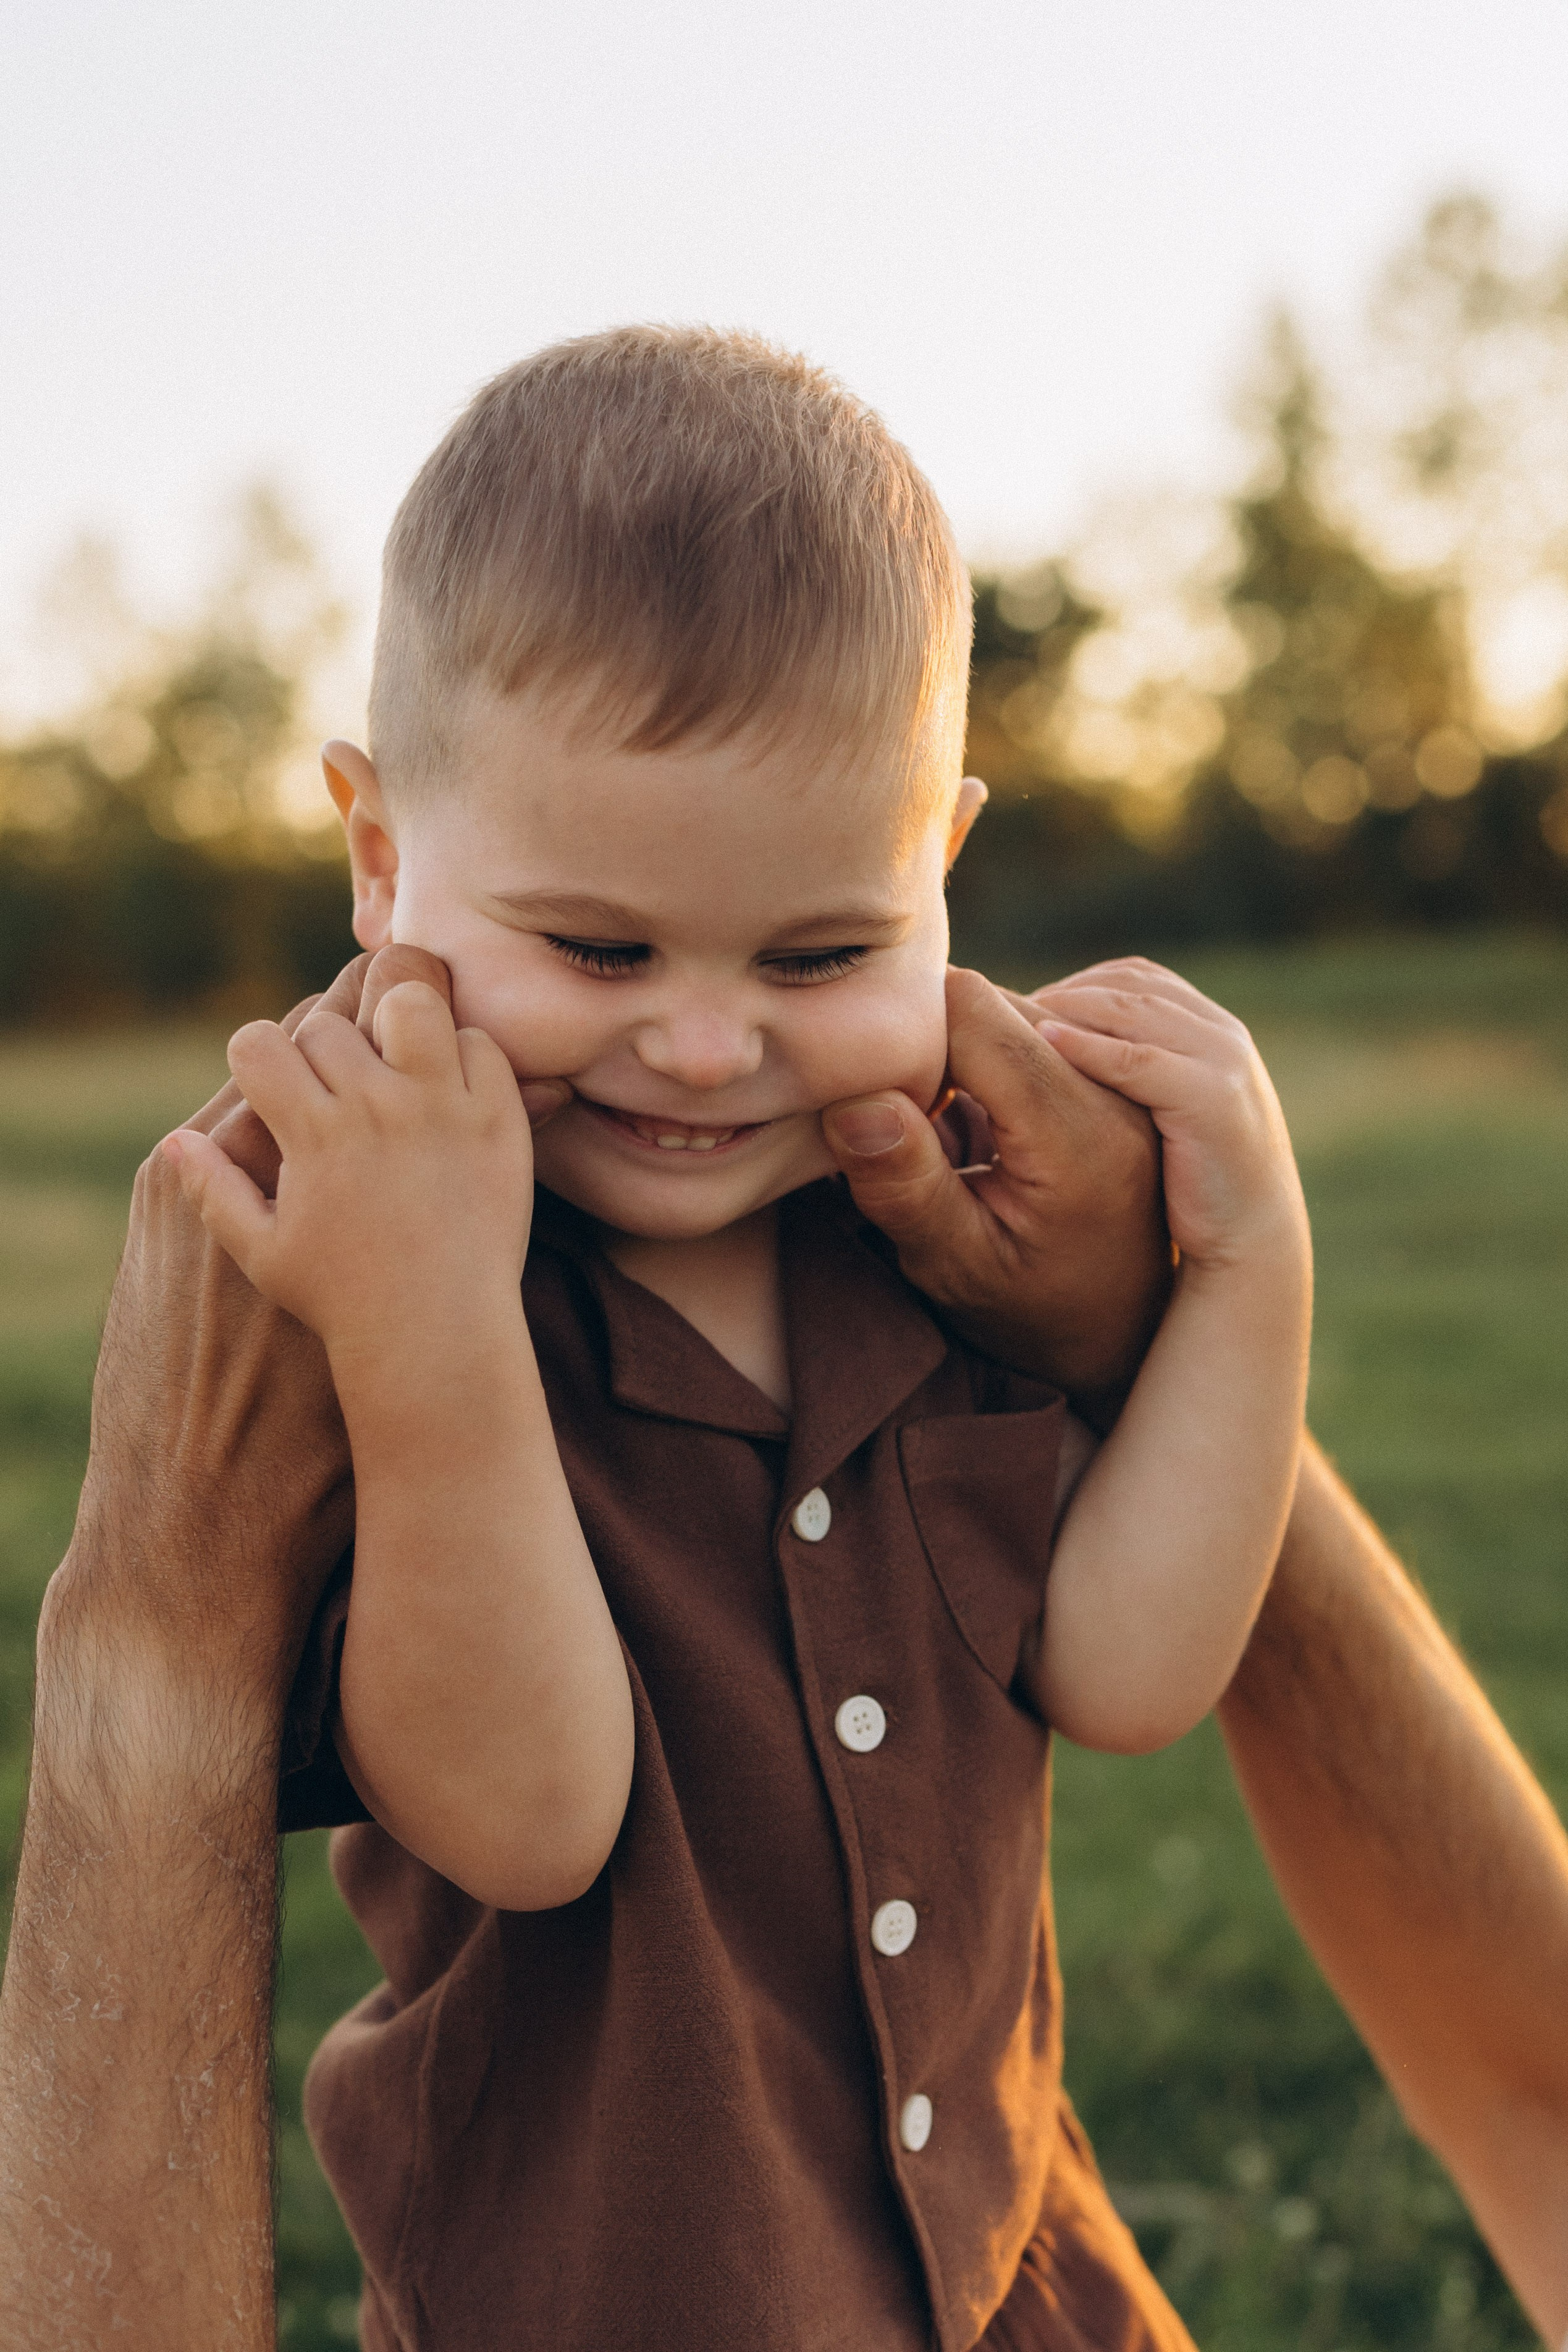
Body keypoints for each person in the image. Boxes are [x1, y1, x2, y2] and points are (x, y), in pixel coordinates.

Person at [2, 946, 1566, 2348]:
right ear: (386, 861)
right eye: (600, 945)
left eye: (817, 952)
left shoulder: (933, 1251)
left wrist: (1237, 1277)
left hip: (1019, 2287)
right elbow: (530, 1820)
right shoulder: (415, 1319)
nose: (701, 1043)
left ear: (933, 877)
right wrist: (429, 1338)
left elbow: (1133, 1673)